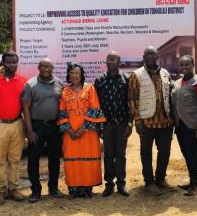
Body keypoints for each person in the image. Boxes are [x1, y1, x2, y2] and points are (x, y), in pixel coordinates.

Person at [128, 46, 174, 196]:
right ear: (143, 56)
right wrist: (137, 121)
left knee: (165, 152)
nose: (150, 56)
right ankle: (149, 182)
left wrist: (173, 117)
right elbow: (132, 99)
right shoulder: (137, 75)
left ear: (157, 55)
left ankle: (161, 179)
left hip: (165, 122)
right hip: (147, 122)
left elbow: (170, 96)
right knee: (146, 153)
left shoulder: (166, 73)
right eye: (147, 54)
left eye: (153, 54)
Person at [0, 51, 27, 205]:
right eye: (9, 62)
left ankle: (13, 188)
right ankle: (1, 190)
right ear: (3, 63)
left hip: (17, 124)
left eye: (14, 62)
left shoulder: (23, 81)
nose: (12, 65)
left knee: (14, 159)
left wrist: (27, 126)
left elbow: (26, 106)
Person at [58, 63, 106, 198]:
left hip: (87, 131)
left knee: (88, 159)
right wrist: (70, 130)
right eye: (72, 73)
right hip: (70, 132)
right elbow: (62, 112)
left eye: (77, 73)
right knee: (72, 160)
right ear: (68, 75)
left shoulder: (90, 88)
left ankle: (87, 188)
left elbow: (94, 109)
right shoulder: (65, 90)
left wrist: (82, 129)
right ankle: (74, 188)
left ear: (82, 74)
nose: (74, 76)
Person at [22, 58, 64, 203]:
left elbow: (63, 105)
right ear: (39, 67)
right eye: (44, 66)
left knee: (54, 158)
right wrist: (29, 130)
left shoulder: (59, 83)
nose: (47, 69)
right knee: (33, 159)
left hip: (55, 126)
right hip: (37, 126)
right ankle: (36, 191)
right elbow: (26, 109)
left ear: (53, 68)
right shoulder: (31, 84)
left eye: (49, 66)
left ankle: (53, 188)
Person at [94, 52, 132, 197]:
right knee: (108, 155)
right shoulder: (100, 80)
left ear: (119, 61)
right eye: (109, 59)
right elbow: (96, 105)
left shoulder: (127, 79)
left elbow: (131, 103)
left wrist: (130, 123)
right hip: (107, 124)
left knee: (121, 154)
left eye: (114, 59)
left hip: (122, 123)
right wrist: (98, 126)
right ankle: (109, 184)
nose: (110, 61)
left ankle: (121, 183)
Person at [171, 55, 197, 196]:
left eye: (187, 65)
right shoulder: (177, 82)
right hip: (180, 125)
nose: (184, 67)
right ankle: (192, 181)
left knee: (193, 155)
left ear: (193, 65)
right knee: (186, 154)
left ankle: (195, 184)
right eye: (182, 65)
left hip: (192, 124)